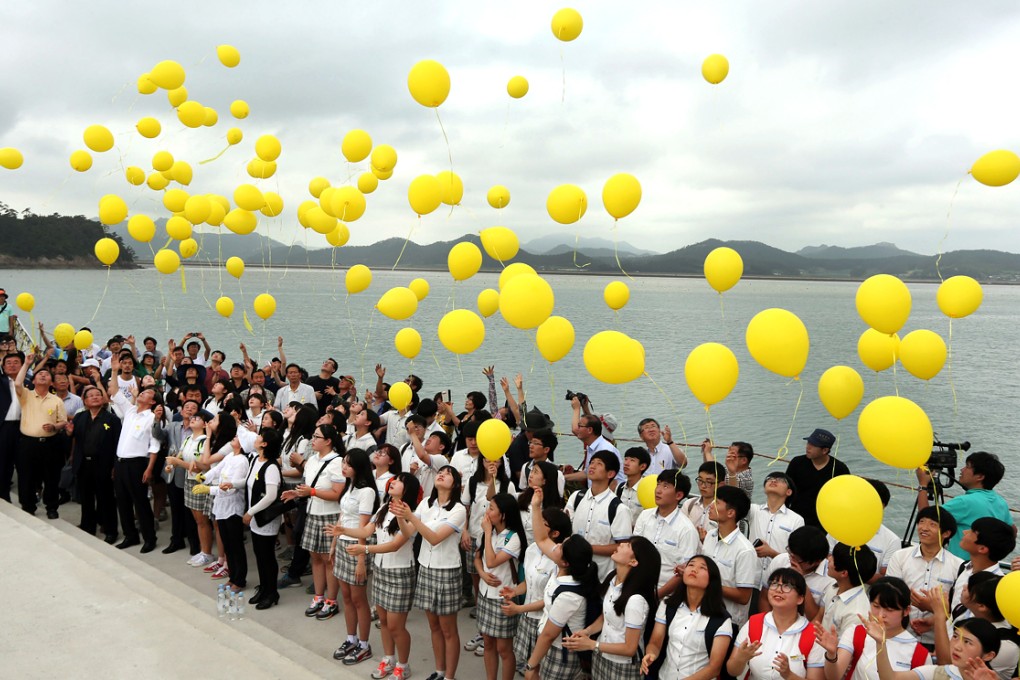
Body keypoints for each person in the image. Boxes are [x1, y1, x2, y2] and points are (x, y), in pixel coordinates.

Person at [336, 472, 423, 680]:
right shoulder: (384, 508)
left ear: (408, 489)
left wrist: (365, 551)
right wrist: (342, 529)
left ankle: (403, 665)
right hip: (382, 570)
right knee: (383, 620)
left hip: (401, 572)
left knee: (395, 625)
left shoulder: (414, 514)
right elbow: (366, 531)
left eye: (400, 481)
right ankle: (388, 659)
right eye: (394, 480)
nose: (393, 482)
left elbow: (396, 544)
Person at [394, 465, 467, 680]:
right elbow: (409, 533)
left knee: (448, 629)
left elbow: (435, 538)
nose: (442, 474)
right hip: (425, 567)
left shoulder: (459, 510)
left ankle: (450, 677)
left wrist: (411, 517)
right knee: (433, 625)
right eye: (440, 472)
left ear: (455, 484)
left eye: (448, 473)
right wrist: (401, 516)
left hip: (446, 571)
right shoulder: (427, 503)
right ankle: (440, 671)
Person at [562, 536, 661, 680]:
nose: (622, 544)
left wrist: (592, 645)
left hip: (622, 666)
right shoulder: (613, 578)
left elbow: (629, 648)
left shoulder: (635, 600)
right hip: (602, 656)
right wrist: (587, 632)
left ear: (633, 562)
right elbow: (606, 616)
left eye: (628, 545)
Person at [281, 423, 345, 621]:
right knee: (315, 557)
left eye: (317, 437)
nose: (313, 440)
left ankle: (331, 600)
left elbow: (336, 494)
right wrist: (297, 493)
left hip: (329, 515)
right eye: (313, 436)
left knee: (329, 560)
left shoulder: (337, 462)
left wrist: (312, 492)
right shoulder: (312, 461)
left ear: (328, 441)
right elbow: (310, 486)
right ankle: (319, 597)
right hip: (312, 511)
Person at [501, 506, 572, 679]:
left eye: (543, 523)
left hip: (544, 621)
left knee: (536, 670)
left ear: (555, 534)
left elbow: (550, 598)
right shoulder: (532, 549)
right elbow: (529, 582)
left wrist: (519, 609)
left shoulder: (561, 560)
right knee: (529, 668)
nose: (537, 525)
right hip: (527, 618)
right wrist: (515, 591)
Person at [813, 576, 931, 680]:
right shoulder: (856, 633)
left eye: (889, 610)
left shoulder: (919, 653)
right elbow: (834, 676)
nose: (880, 615)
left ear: (906, 611)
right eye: (876, 606)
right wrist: (832, 654)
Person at [641, 555, 734, 680]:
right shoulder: (668, 605)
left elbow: (714, 668)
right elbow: (655, 642)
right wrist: (651, 654)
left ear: (712, 580)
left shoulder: (721, 619)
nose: (694, 569)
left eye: (702, 568)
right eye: (691, 565)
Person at [329, 448, 381, 666]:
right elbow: (342, 517)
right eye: (343, 463)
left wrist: (361, 558)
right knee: (347, 596)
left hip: (356, 546)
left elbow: (362, 526)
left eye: (348, 465)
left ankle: (364, 644)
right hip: (342, 544)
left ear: (358, 468)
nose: (343, 467)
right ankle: (351, 638)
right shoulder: (350, 486)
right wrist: (333, 545)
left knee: (359, 599)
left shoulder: (367, 491)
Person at [522, 534, 600, 680]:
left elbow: (549, 635)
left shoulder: (569, 595)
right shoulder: (560, 571)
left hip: (559, 652)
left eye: (561, 546)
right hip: (548, 645)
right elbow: (542, 539)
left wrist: (531, 665)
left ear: (565, 562)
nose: (556, 545)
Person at [727, 568, 824, 680]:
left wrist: (788, 675)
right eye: (774, 584)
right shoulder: (754, 622)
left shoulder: (812, 634)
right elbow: (732, 671)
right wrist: (741, 659)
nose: (778, 589)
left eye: (787, 586)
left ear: (800, 599)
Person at [886, 506, 963, 646]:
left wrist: (931, 608)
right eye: (921, 522)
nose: (924, 528)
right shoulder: (900, 556)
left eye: (932, 524)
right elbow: (889, 594)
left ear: (946, 533)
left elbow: (960, 608)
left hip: (938, 642)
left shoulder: (957, 566)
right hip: (899, 636)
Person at [915, 451, 1014, 559]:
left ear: (980, 476)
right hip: (984, 564)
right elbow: (1012, 531)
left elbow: (925, 518)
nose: (962, 470)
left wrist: (923, 485)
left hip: (960, 566)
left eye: (967, 467)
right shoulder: (1001, 502)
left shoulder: (965, 502)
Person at [474, 493, 527, 680]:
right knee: (488, 642)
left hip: (503, 596)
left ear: (503, 515)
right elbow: (478, 558)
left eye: (491, 508)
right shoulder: (489, 531)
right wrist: (481, 574)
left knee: (504, 648)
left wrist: (487, 531)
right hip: (485, 593)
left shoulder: (513, 538)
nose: (487, 512)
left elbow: (492, 560)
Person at [108, 373, 160, 552]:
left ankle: (149, 538)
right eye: (142, 392)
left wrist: (149, 468)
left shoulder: (151, 418)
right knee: (122, 501)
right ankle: (130, 536)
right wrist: (114, 371)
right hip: (120, 462)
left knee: (140, 502)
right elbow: (114, 392)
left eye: (146, 394)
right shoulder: (130, 411)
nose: (142, 395)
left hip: (137, 464)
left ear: (152, 402)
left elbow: (154, 445)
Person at [565, 450, 633, 581]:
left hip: (601, 577)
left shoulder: (618, 508)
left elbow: (622, 547)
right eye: (591, 462)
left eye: (599, 464)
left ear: (611, 473)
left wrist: (588, 548)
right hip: (572, 571)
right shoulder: (577, 497)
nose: (592, 466)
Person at [13, 361, 68, 518]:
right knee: (26, 476)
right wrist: (27, 364)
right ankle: (28, 506)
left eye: (46, 375)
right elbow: (17, 382)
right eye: (39, 375)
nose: (43, 375)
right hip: (27, 443)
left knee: (51, 477)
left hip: (50, 444)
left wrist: (55, 426)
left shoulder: (56, 400)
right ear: (34, 380)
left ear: (51, 382)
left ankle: (51, 507)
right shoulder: (26, 395)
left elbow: (63, 421)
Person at [633, 469, 700, 598]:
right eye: (658, 484)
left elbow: (683, 572)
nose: (658, 490)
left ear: (678, 495)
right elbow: (633, 551)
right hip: (637, 588)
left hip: (665, 597)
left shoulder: (686, 530)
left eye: (665, 486)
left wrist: (656, 596)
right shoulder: (645, 516)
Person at [69, 384, 121, 542]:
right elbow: (73, 439)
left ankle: (111, 530)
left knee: (106, 498)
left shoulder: (111, 419)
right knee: (86, 498)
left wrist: (114, 466)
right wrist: (69, 433)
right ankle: (87, 526)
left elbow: (117, 444)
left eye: (97, 394)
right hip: (84, 463)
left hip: (103, 464)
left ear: (103, 398)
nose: (94, 397)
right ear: (84, 400)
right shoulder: (80, 417)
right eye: (90, 395)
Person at [165, 408, 216, 568]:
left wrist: (177, 463)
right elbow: (179, 456)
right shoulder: (187, 440)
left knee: (202, 520)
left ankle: (207, 553)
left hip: (200, 482)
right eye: (192, 417)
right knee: (197, 520)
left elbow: (200, 467)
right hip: (189, 481)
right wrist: (171, 465)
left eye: (198, 418)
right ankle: (203, 551)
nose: (193, 419)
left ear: (205, 424)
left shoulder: (203, 441)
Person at [200, 430, 250, 592]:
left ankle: (240, 579)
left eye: (236, 438)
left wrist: (209, 490)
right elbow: (216, 470)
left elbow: (231, 487)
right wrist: (204, 478)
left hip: (233, 507)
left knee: (236, 546)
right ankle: (232, 577)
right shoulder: (230, 456)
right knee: (227, 545)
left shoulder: (242, 461)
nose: (233, 438)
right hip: (221, 507)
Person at [702, 484, 758, 628]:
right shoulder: (710, 536)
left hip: (728, 622)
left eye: (717, 503)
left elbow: (744, 596)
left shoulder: (745, 550)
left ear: (731, 513)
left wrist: (708, 585)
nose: (711, 506)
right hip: (704, 613)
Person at [243, 428, 284, 610]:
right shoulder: (255, 460)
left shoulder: (272, 467)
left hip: (265, 518)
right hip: (255, 515)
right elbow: (248, 482)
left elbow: (270, 495)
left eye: (260, 436)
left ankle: (272, 592)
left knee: (267, 555)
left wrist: (250, 512)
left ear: (265, 444)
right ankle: (264, 587)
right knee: (259, 554)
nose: (256, 437)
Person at [748, 471, 804, 590]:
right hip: (749, 579)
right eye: (769, 478)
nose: (773, 480)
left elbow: (797, 558)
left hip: (777, 584)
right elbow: (733, 499)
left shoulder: (796, 520)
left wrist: (771, 553)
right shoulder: (754, 510)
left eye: (780, 480)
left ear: (788, 492)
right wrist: (732, 472)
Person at [764, 526, 834, 620]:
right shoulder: (781, 560)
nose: (790, 559)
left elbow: (816, 618)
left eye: (796, 559)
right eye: (790, 552)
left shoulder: (830, 580)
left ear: (817, 561)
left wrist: (801, 581)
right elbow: (764, 598)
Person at [948, 518, 1015, 613]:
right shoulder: (965, 567)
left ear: (982, 548)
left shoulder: (997, 589)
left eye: (972, 531)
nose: (964, 532)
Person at [784, 429, 849, 529]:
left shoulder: (840, 469)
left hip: (825, 522)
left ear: (825, 450)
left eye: (813, 445)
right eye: (808, 442)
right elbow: (786, 490)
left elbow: (844, 498)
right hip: (796, 519)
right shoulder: (797, 463)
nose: (808, 447)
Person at [818, 544, 877, 637]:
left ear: (844, 573)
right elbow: (819, 617)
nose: (829, 559)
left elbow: (844, 650)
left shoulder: (856, 614)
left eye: (833, 558)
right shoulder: (834, 586)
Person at [568, 407, 624, 488]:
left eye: (580, 426)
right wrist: (563, 477)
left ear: (590, 430)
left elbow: (613, 481)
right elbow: (586, 472)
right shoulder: (591, 447)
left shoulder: (605, 449)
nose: (578, 429)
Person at [517, 460, 564, 544]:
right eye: (531, 471)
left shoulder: (554, 510)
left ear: (545, 481)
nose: (530, 475)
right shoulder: (521, 497)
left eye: (535, 472)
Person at [683, 460, 725, 540]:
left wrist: (708, 541)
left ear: (721, 484)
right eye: (700, 480)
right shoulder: (689, 504)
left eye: (708, 482)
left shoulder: (723, 510)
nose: (703, 486)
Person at [616, 447, 650, 525]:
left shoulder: (647, 490)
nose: (626, 463)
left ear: (642, 466)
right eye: (626, 459)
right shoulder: (619, 488)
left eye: (632, 460)